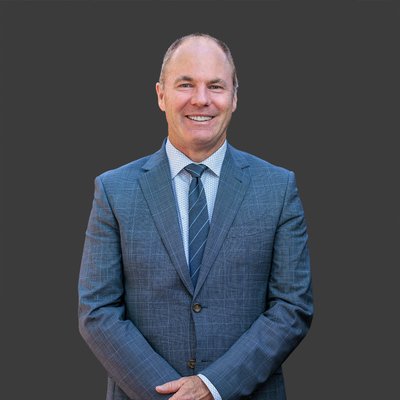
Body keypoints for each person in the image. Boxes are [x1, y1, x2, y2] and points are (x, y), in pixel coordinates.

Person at [78, 33, 313, 400]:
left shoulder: (278, 188)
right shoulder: (114, 190)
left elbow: (292, 307)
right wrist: (173, 397)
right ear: (161, 95)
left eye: (215, 86)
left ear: (234, 97)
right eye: (185, 84)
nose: (201, 99)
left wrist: (212, 387)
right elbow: (98, 311)